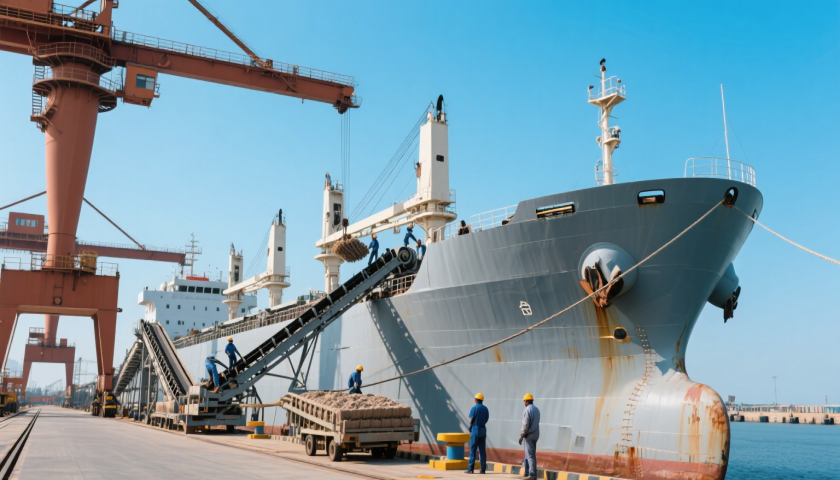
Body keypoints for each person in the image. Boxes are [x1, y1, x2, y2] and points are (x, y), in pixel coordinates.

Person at [465, 393, 489, 474]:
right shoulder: (485, 409)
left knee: (473, 449)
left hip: (475, 430)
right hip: (483, 430)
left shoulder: (474, 408)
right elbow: (486, 419)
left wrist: (472, 424)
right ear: (482, 400)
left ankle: (471, 469)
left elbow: (470, 419)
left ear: (476, 400)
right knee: (482, 450)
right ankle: (483, 469)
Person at [519, 393, 541, 480]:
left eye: (524, 401)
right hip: (536, 434)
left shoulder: (527, 410)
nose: (524, 403)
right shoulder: (536, 409)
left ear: (527, 401)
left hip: (529, 435)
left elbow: (525, 424)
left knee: (530, 455)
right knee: (528, 454)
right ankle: (527, 472)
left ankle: (532, 474)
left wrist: (521, 436)